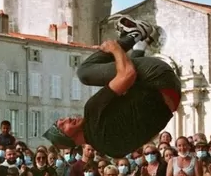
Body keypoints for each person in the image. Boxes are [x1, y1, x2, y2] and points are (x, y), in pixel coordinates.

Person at [43, 16, 181, 159]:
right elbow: (128, 73)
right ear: (68, 139)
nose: (67, 119)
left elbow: (150, 135)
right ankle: (134, 35)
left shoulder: (112, 151)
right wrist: (114, 49)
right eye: (62, 125)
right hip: (158, 77)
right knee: (85, 73)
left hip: (173, 97)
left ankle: (139, 46)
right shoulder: (92, 111)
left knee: (127, 92)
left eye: (62, 120)